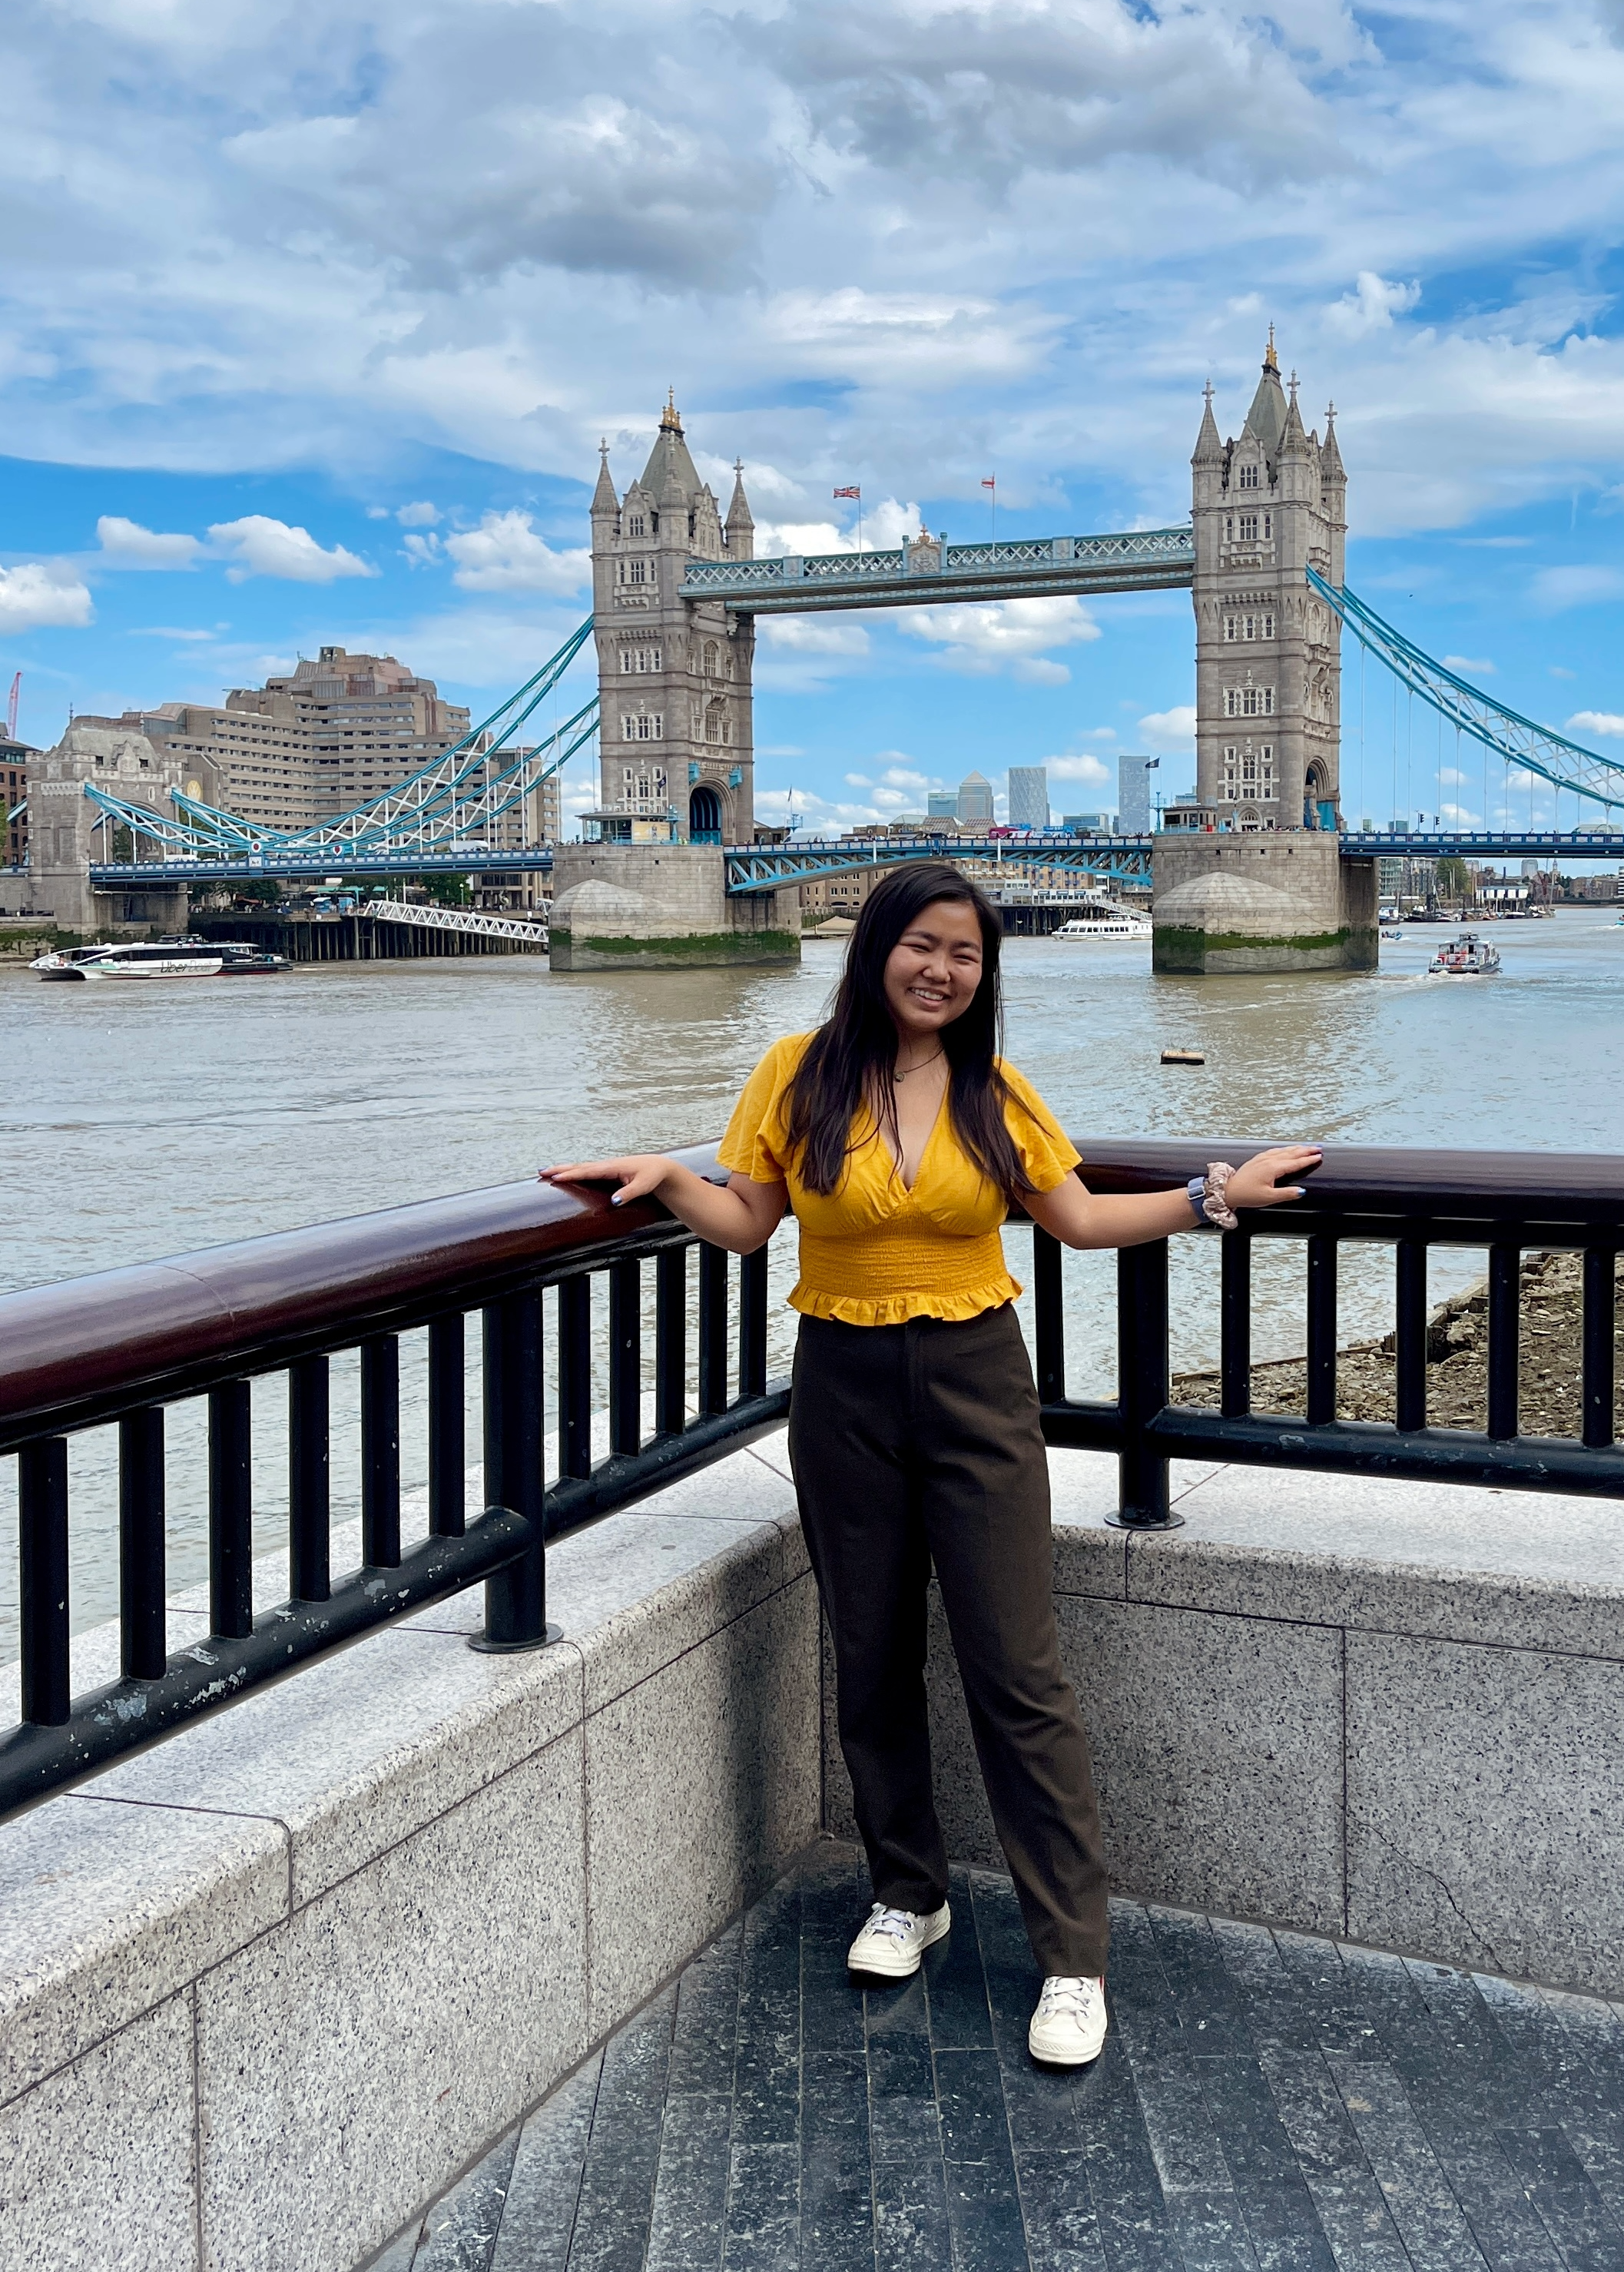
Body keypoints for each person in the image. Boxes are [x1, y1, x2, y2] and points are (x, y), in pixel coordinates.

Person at [543, 861, 1321, 2068]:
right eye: (922, 945)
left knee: (1016, 1667)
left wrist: (1215, 1193)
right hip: (841, 1383)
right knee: (871, 1653)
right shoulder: (795, 1074)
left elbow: (1080, 1220)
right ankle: (907, 1894)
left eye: (966, 954)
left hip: (976, 1379)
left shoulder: (992, 1090)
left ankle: (1072, 1957)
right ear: (877, 948)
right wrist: (670, 1181)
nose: (942, 970)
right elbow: (750, 1224)